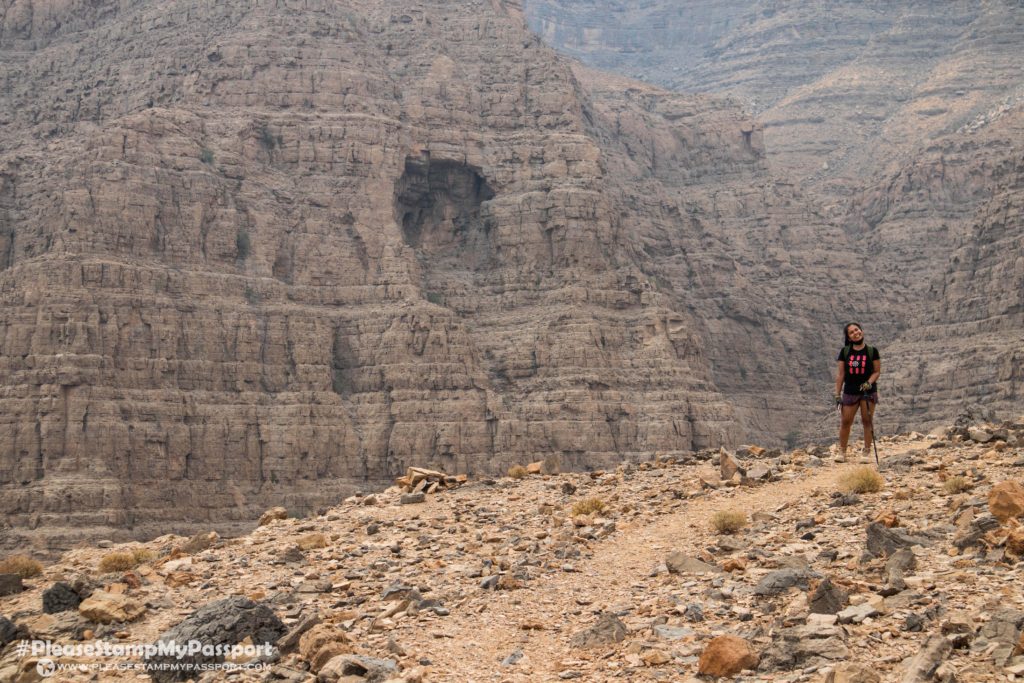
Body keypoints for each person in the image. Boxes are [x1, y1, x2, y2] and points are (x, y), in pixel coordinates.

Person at [834, 322, 881, 462]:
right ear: (848, 337)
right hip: (850, 391)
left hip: (868, 391)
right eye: (852, 332)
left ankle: (866, 452)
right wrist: (837, 394)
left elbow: (877, 372)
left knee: (867, 421)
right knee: (845, 421)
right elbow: (841, 374)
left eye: (857, 330)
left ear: (861, 331)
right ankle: (842, 452)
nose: (856, 333)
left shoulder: (872, 351)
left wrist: (869, 383)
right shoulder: (845, 352)